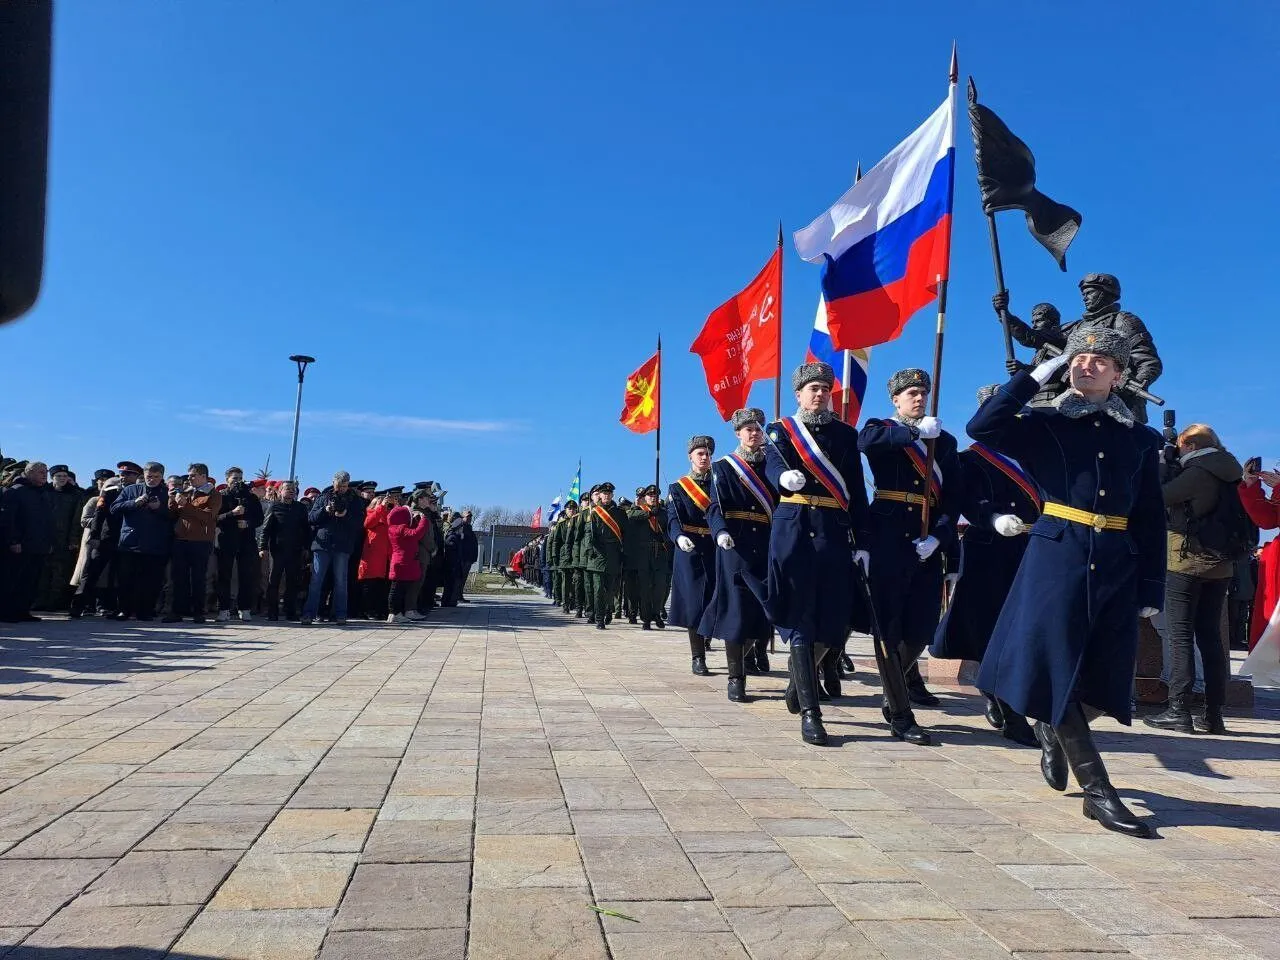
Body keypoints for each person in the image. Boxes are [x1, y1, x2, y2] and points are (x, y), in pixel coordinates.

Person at [968, 326, 1166, 837]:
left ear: (1120, 375)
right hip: (1056, 555)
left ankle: (1055, 726)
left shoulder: (1142, 439)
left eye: (1101, 359)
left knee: (1105, 673)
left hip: (1117, 561)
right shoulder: (1045, 422)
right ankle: (1099, 790)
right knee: (1054, 663)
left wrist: (1151, 586)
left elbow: (1150, 514)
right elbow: (982, 427)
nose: (1087, 364)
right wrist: (1036, 377)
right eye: (1080, 357)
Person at [931, 386, 1040, 747]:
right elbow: (968, 500)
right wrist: (992, 517)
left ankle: (1002, 695)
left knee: (1022, 631)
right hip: (991, 548)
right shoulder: (972, 459)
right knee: (991, 629)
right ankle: (1005, 705)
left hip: (1032, 548)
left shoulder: (1033, 456)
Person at [859, 368, 963, 708]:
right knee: (888, 623)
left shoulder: (944, 441)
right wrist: (913, 434)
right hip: (888, 535)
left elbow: (952, 498)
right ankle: (897, 703)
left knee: (922, 625)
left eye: (923, 393)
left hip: (926, 538)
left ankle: (897, 686)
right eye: (911, 394)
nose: (919, 399)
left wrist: (941, 537)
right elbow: (866, 443)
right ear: (896, 400)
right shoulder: (882, 429)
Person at [1143, 424, 1243, 735]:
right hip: (1221, 565)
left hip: (1186, 561)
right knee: (1211, 638)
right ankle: (1213, 714)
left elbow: (1158, 499)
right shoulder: (1231, 471)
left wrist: (1162, 467)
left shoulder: (1199, 473)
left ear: (1190, 445)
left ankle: (1179, 711)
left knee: (1180, 635)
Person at [702, 408, 776, 702]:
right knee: (736, 611)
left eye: (758, 429)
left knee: (762, 610)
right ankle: (736, 677)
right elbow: (714, 507)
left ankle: (750, 656)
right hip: (736, 544)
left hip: (768, 542)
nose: (754, 433)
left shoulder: (773, 463)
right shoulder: (723, 467)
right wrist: (719, 530)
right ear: (738, 434)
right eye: (748, 429)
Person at [668, 436, 718, 675]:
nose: (704, 457)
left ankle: (707, 635)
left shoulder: (720, 483)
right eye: (700, 453)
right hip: (690, 549)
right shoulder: (679, 487)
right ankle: (698, 656)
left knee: (715, 599)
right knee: (694, 603)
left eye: (708, 454)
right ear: (690, 457)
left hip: (716, 546)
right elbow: (673, 518)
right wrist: (678, 536)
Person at [110, 462, 175, 621]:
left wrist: (159, 508)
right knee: (126, 580)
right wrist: (134, 503)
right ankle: (124, 610)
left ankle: (145, 610)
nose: (152, 480)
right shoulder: (131, 490)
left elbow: (175, 516)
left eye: (156, 477)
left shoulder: (167, 494)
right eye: (149, 477)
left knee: (151, 581)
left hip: (155, 545)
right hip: (130, 543)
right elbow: (114, 508)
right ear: (143, 476)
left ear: (162, 477)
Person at [302, 471, 362, 625]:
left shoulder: (355, 500)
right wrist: (325, 510)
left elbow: (359, 523)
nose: (341, 488)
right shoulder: (324, 497)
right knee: (316, 580)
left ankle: (340, 615)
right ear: (333, 482)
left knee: (341, 581)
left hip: (342, 546)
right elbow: (311, 518)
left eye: (344, 485)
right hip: (322, 544)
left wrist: (345, 515)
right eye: (338, 485)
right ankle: (309, 614)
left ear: (348, 484)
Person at [164, 463, 221, 624]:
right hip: (181, 539)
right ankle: (177, 611)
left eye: (193, 475)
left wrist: (186, 505)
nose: (189, 478)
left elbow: (208, 517)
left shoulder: (214, 495)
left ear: (203, 476)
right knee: (178, 577)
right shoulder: (187, 492)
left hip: (201, 541)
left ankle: (198, 612)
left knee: (198, 578)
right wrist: (172, 499)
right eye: (189, 475)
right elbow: (173, 513)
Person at [1, 461, 55, 623]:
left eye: (45, 472)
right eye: (40, 472)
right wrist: (13, 540)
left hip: (38, 545)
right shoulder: (15, 491)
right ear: (29, 472)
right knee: (13, 580)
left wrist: (49, 542)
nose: (44, 475)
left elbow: (47, 521)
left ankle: (23, 610)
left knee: (31, 581)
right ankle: (6, 612)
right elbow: (9, 520)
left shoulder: (43, 493)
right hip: (20, 546)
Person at [215, 467, 263, 622]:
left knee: (246, 576)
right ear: (227, 479)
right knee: (224, 575)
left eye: (240, 478)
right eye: (234, 478)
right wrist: (232, 514)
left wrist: (248, 523)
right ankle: (224, 609)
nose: (238, 481)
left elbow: (260, 519)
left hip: (246, 541)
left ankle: (245, 609)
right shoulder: (221, 496)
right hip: (227, 540)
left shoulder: (251, 498)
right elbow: (215, 518)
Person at [258, 480, 309, 621]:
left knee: (293, 581)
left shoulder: (300, 508)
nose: (291, 491)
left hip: (295, 550)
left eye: (293, 489)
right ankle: (272, 611)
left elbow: (306, 529)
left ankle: (290, 611)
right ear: (280, 491)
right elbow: (266, 529)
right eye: (287, 489)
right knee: (274, 580)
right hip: (277, 550)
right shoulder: (274, 507)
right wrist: (262, 547)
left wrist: (306, 547)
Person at [34, 464, 82, 611]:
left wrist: (73, 540)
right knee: (42, 572)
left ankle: (55, 604)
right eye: (58, 476)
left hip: (63, 540)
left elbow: (76, 520)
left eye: (64, 476)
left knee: (60, 573)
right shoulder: (43, 492)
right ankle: (39, 602)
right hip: (43, 538)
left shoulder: (74, 495)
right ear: (52, 477)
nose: (62, 479)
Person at [586, 482, 627, 630]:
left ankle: (609, 610)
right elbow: (589, 535)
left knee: (611, 589)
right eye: (604, 493)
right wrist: (592, 551)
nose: (607, 496)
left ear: (612, 495)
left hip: (614, 554)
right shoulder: (594, 513)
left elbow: (625, 534)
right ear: (600, 495)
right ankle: (599, 619)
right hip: (598, 555)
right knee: (598, 590)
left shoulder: (620, 513)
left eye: (609, 494)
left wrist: (624, 554)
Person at [387, 504, 430, 623]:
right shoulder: (400, 529)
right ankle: (394, 612)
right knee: (397, 590)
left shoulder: (394, 528)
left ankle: (395, 612)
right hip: (403, 562)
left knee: (398, 589)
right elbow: (416, 533)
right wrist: (423, 520)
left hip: (400, 562)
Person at [358, 490, 394, 620]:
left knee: (382, 586)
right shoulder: (370, 513)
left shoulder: (387, 515)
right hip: (372, 555)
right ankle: (369, 610)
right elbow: (368, 523)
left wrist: (392, 505)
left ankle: (380, 610)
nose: (382, 504)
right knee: (370, 585)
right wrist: (380, 507)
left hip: (385, 556)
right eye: (378, 503)